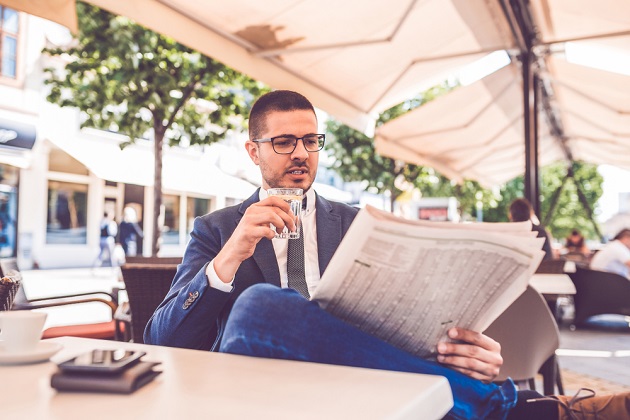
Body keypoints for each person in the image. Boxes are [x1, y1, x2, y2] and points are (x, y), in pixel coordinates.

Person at [145, 90, 629, 419]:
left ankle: (492, 398)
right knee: (257, 307)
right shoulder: (217, 229)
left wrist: (466, 348)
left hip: (361, 385)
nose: (301, 153)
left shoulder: (358, 222)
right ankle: (516, 409)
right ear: (254, 151)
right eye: (284, 141)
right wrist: (229, 257)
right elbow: (159, 338)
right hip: (256, 389)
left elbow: (402, 321)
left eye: (311, 140)